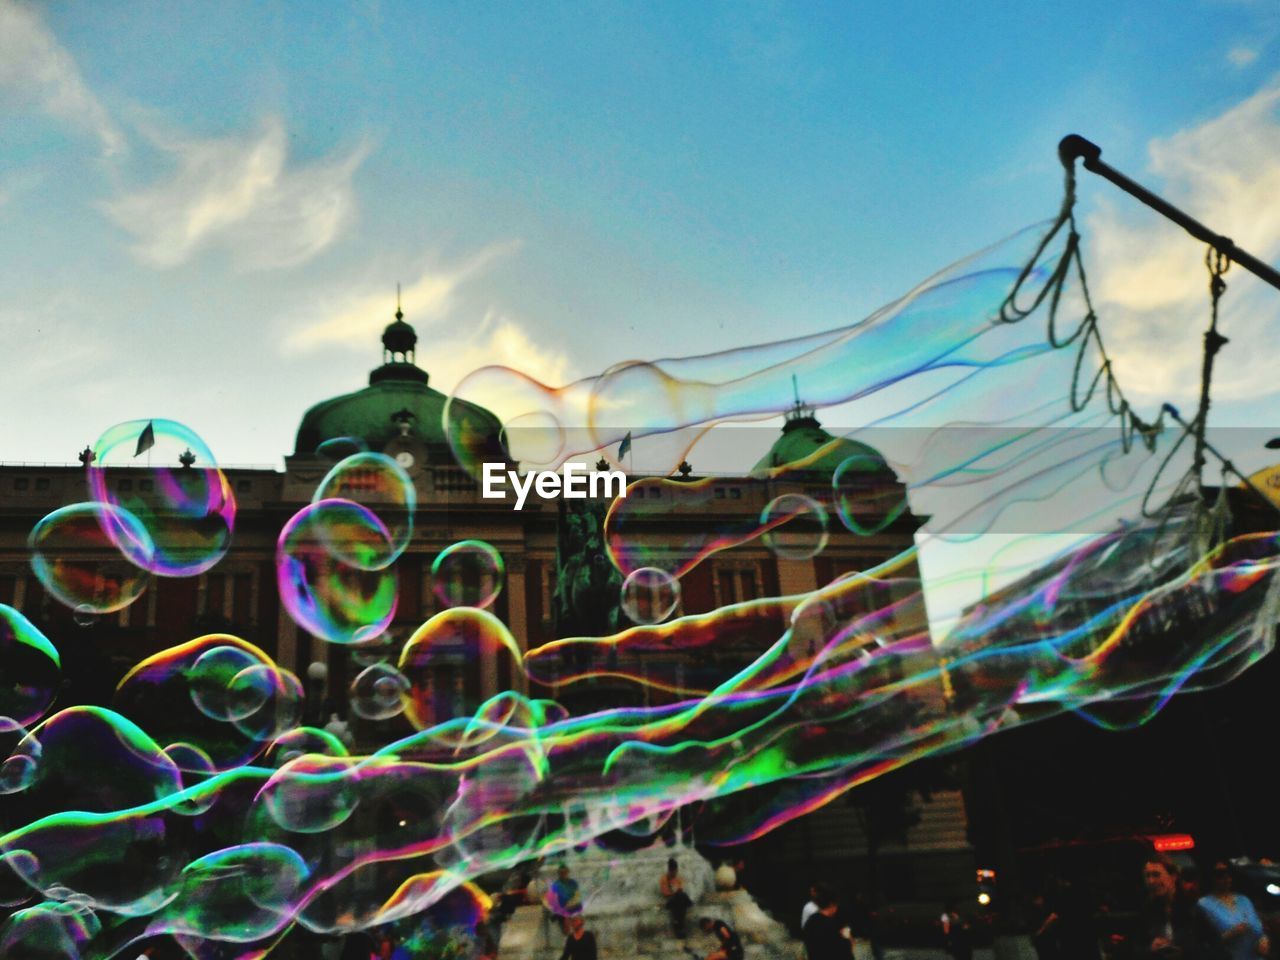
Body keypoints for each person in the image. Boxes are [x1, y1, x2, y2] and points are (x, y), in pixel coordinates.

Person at [1140, 855, 1213, 959]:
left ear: (1173, 876)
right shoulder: (1147, 910)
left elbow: (1212, 946)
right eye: (1147, 876)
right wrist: (1151, 949)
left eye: (1156, 875)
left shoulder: (1193, 909)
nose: (1151, 881)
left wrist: (1184, 952)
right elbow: (1136, 948)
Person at [1198, 860, 1270, 960]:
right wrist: (1230, 934)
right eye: (1220, 874)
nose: (1226, 878)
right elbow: (1204, 942)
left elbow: (1259, 930)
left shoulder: (1243, 900)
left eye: (1228, 873)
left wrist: (1263, 941)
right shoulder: (1204, 904)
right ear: (1210, 876)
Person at [802, 891, 853, 960]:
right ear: (832, 904)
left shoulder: (809, 922)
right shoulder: (833, 925)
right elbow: (845, 952)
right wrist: (848, 938)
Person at [660, 857, 693, 938]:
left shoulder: (678, 878)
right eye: (673, 871)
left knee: (680, 902)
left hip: (678, 900)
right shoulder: (664, 879)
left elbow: (681, 889)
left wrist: (676, 892)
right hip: (670, 901)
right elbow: (665, 893)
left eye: (676, 871)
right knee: (680, 898)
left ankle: (680, 928)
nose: (675, 873)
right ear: (670, 870)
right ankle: (689, 903)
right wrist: (674, 893)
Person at [547, 864, 583, 933]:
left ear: (568, 872)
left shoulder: (573, 883)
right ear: (559, 873)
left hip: (572, 906)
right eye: (561, 873)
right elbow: (552, 900)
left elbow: (577, 896)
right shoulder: (556, 884)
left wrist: (572, 903)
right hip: (562, 908)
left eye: (565, 872)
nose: (563, 874)